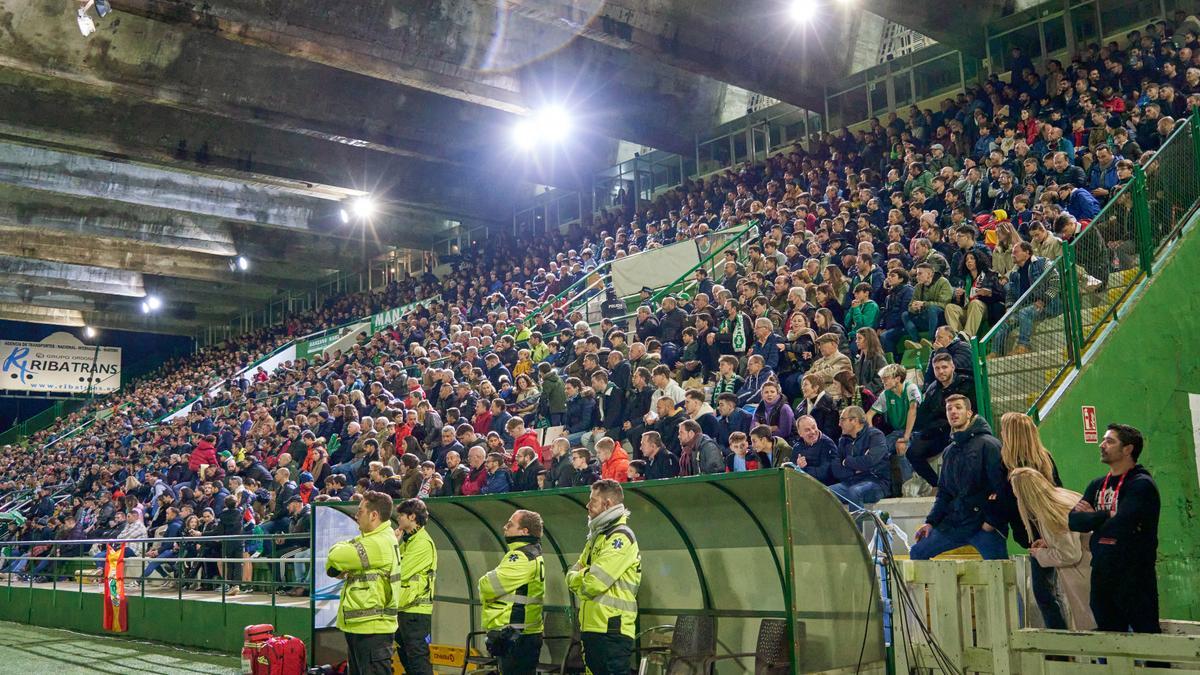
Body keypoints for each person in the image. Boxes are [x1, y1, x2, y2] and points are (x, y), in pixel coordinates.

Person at [1069, 424, 1160, 634]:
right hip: (1102, 571)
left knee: (1147, 637)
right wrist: (1106, 515)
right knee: (1109, 638)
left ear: (1128, 449)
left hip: (1135, 574)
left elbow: (1123, 524)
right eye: (1103, 440)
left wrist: (1093, 517)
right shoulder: (1097, 485)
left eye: (1110, 441)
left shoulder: (1141, 484)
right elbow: (1073, 521)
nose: (1102, 445)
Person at [911, 395, 1007, 560]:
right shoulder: (949, 451)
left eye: (958, 407)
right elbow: (944, 492)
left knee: (1001, 575)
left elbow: (1003, 489)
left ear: (969, 413)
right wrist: (931, 522)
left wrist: (990, 523)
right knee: (917, 552)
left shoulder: (989, 444)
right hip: (954, 524)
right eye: (949, 409)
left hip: (982, 526)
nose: (953, 412)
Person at [566, 480, 641, 675]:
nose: (587, 505)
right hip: (593, 627)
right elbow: (573, 572)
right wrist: (582, 574)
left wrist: (579, 576)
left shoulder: (621, 537)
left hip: (611, 630)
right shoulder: (598, 537)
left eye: (593, 501)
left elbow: (593, 583)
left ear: (607, 504)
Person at [1009, 468, 1096, 630]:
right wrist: (1048, 542)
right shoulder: (1063, 496)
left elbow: (1069, 554)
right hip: (1096, 561)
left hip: (1083, 572)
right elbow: (1073, 536)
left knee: (1097, 628)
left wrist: (1039, 553)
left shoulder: (1049, 515)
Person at [326, 491, 401, 675]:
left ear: (374, 515)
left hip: (372, 628)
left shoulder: (377, 543)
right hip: (363, 626)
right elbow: (332, 568)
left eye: (360, 511)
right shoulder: (373, 539)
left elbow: (335, 555)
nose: (356, 515)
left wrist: (341, 548)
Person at [478, 510, 546, 674]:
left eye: (510, 524)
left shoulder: (522, 556)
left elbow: (487, 586)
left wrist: (484, 580)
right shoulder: (528, 553)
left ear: (524, 531)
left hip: (517, 635)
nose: (504, 527)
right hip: (519, 634)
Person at [393, 499, 437, 675]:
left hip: (416, 610)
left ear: (412, 517)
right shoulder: (410, 540)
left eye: (401, 515)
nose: (398, 518)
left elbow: (399, 570)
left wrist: (394, 545)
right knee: (407, 654)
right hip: (405, 607)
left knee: (417, 657)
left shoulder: (422, 543)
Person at [828, 406, 890, 506]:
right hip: (851, 482)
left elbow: (870, 461)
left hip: (876, 482)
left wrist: (847, 462)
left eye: (842, 420)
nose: (839, 424)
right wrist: (855, 470)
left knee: (855, 492)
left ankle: (856, 522)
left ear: (854, 421)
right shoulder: (843, 440)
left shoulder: (875, 436)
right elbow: (836, 469)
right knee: (826, 493)